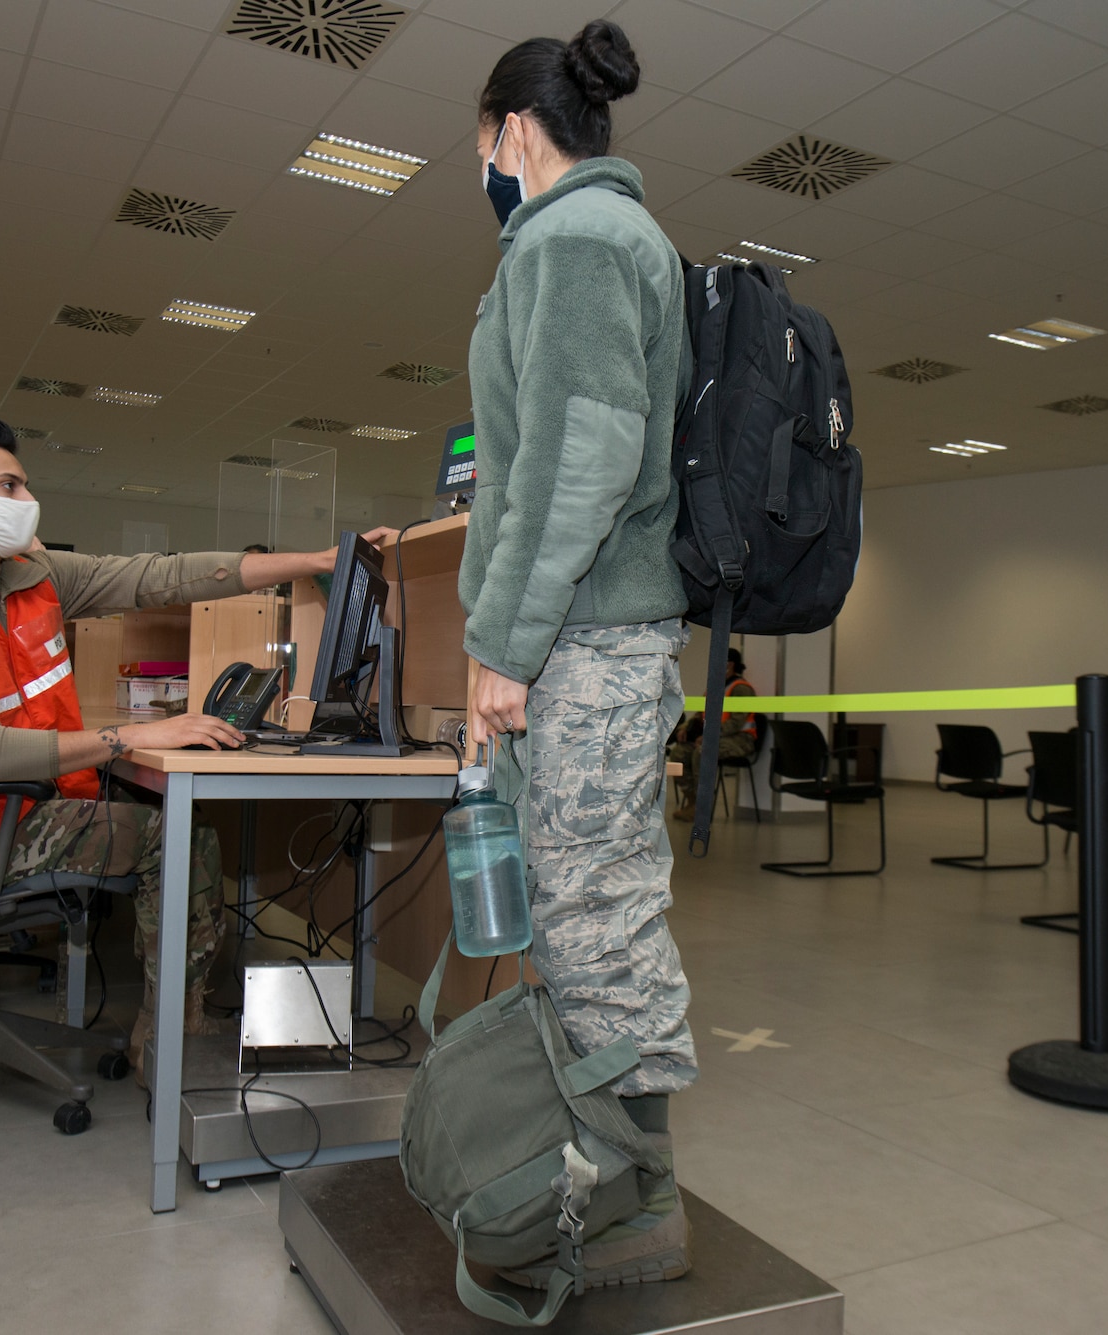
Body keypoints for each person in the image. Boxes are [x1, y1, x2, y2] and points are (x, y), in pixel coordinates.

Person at [0, 415, 392, 1073]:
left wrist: (312, 561)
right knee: (178, 837)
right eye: (9, 485)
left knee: (165, 816)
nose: (27, 503)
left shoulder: (27, 576)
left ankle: (171, 1018)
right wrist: (130, 736)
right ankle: (170, 1042)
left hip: (14, 805)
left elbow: (156, 577)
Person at [459, 19, 694, 1287]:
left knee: (598, 923)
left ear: (511, 129)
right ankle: (597, 1171)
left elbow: (583, 460)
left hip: (589, 641)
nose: (481, 161)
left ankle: (642, 1204)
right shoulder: (571, 243)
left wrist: (503, 643)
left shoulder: (583, 239)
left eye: (480, 141)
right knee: (572, 914)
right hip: (579, 638)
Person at [668, 649, 758, 822]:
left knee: (702, 753)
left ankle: (702, 807)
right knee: (678, 754)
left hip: (740, 739)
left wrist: (710, 736)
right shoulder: (715, 687)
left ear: (730, 665)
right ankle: (693, 801)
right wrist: (685, 728)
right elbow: (699, 714)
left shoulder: (741, 689)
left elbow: (736, 723)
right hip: (714, 738)